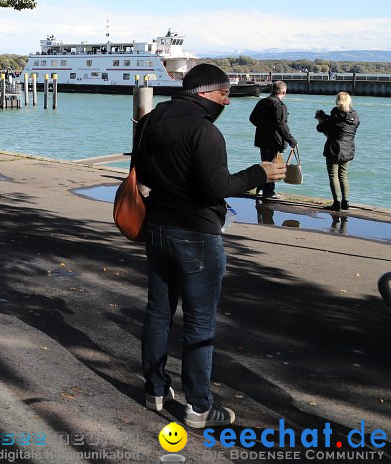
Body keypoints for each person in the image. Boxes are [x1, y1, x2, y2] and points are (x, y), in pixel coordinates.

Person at [134, 63, 285, 429]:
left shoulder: (154, 119)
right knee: (199, 322)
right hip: (197, 234)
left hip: (156, 225)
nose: (228, 102)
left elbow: (142, 169)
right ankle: (199, 407)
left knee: (158, 312)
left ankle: (155, 390)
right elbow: (215, 189)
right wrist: (259, 174)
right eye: (224, 95)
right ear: (204, 93)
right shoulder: (205, 132)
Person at [248, 80, 297, 200]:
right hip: (274, 140)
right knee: (272, 167)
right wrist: (291, 140)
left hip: (261, 139)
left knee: (264, 164)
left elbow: (252, 118)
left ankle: (260, 189)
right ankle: (269, 192)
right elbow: (281, 125)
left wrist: (262, 127)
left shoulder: (262, 102)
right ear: (283, 92)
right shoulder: (279, 105)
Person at [316, 92, 360, 211]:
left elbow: (320, 128)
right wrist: (328, 119)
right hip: (348, 148)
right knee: (343, 175)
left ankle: (336, 203)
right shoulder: (355, 116)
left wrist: (322, 119)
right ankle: (346, 202)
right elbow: (343, 125)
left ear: (338, 101)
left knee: (333, 175)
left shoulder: (335, 115)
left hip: (333, 149)